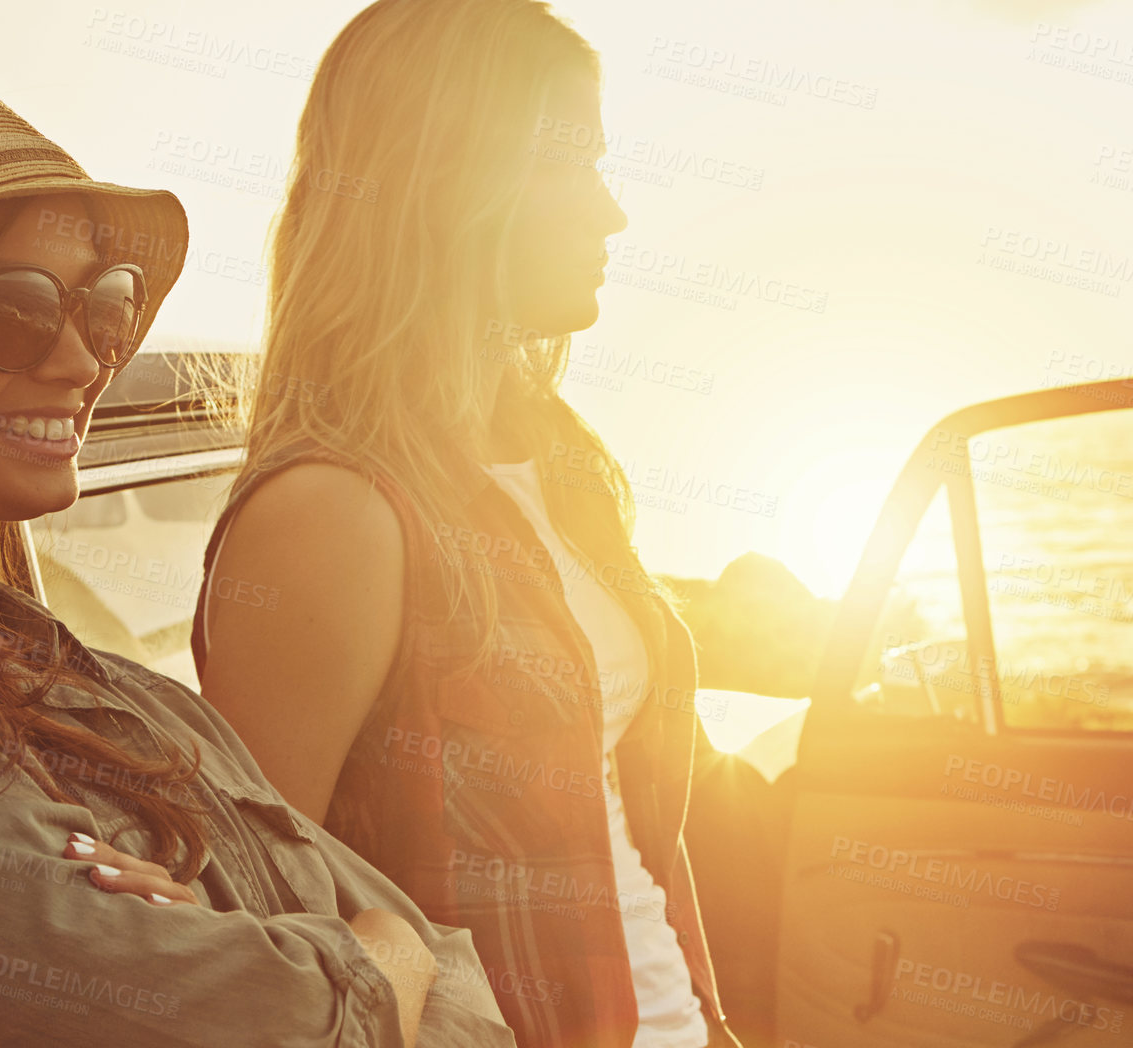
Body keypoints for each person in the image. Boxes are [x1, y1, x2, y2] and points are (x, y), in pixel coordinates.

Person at [0, 44, 514, 1048]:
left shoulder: (123, 692)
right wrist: (377, 951)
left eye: (105, 303)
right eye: (17, 310)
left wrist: (371, 957)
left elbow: (463, 985)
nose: (84, 358)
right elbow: (293, 1017)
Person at [192, 3, 742, 1046]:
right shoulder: (332, 516)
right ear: (450, 187)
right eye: (568, 167)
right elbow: (269, 927)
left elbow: (624, 832)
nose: (611, 213)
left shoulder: (562, 457)